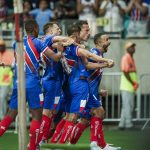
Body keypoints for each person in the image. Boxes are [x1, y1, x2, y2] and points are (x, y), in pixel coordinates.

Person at [0, 19, 73, 150]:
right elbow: (55, 57)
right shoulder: (38, 42)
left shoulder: (16, 43)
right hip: (32, 84)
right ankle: (33, 147)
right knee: (37, 115)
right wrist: (61, 51)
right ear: (34, 29)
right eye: (37, 28)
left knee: (11, 114)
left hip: (18, 83)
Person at [119, 41, 139, 130]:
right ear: (127, 49)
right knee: (128, 106)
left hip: (129, 86)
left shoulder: (131, 57)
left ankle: (122, 124)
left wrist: (134, 83)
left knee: (126, 105)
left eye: (134, 47)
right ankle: (129, 124)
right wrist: (133, 83)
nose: (133, 48)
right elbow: (125, 71)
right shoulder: (126, 57)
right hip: (127, 86)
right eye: (131, 47)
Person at [0, 39, 14, 120]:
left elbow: (11, 65)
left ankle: (2, 117)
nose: (1, 47)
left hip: (6, 80)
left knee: (2, 97)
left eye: (2, 46)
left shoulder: (9, 54)